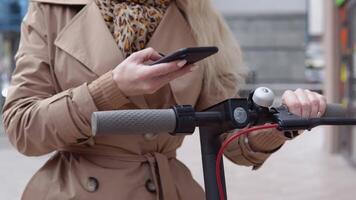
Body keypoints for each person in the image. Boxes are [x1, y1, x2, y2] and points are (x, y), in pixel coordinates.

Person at [2, 0, 326, 199]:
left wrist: (284, 123)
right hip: (77, 190)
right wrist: (112, 87)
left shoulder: (197, 16)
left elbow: (231, 140)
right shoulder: (50, 10)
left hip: (168, 191)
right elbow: (23, 128)